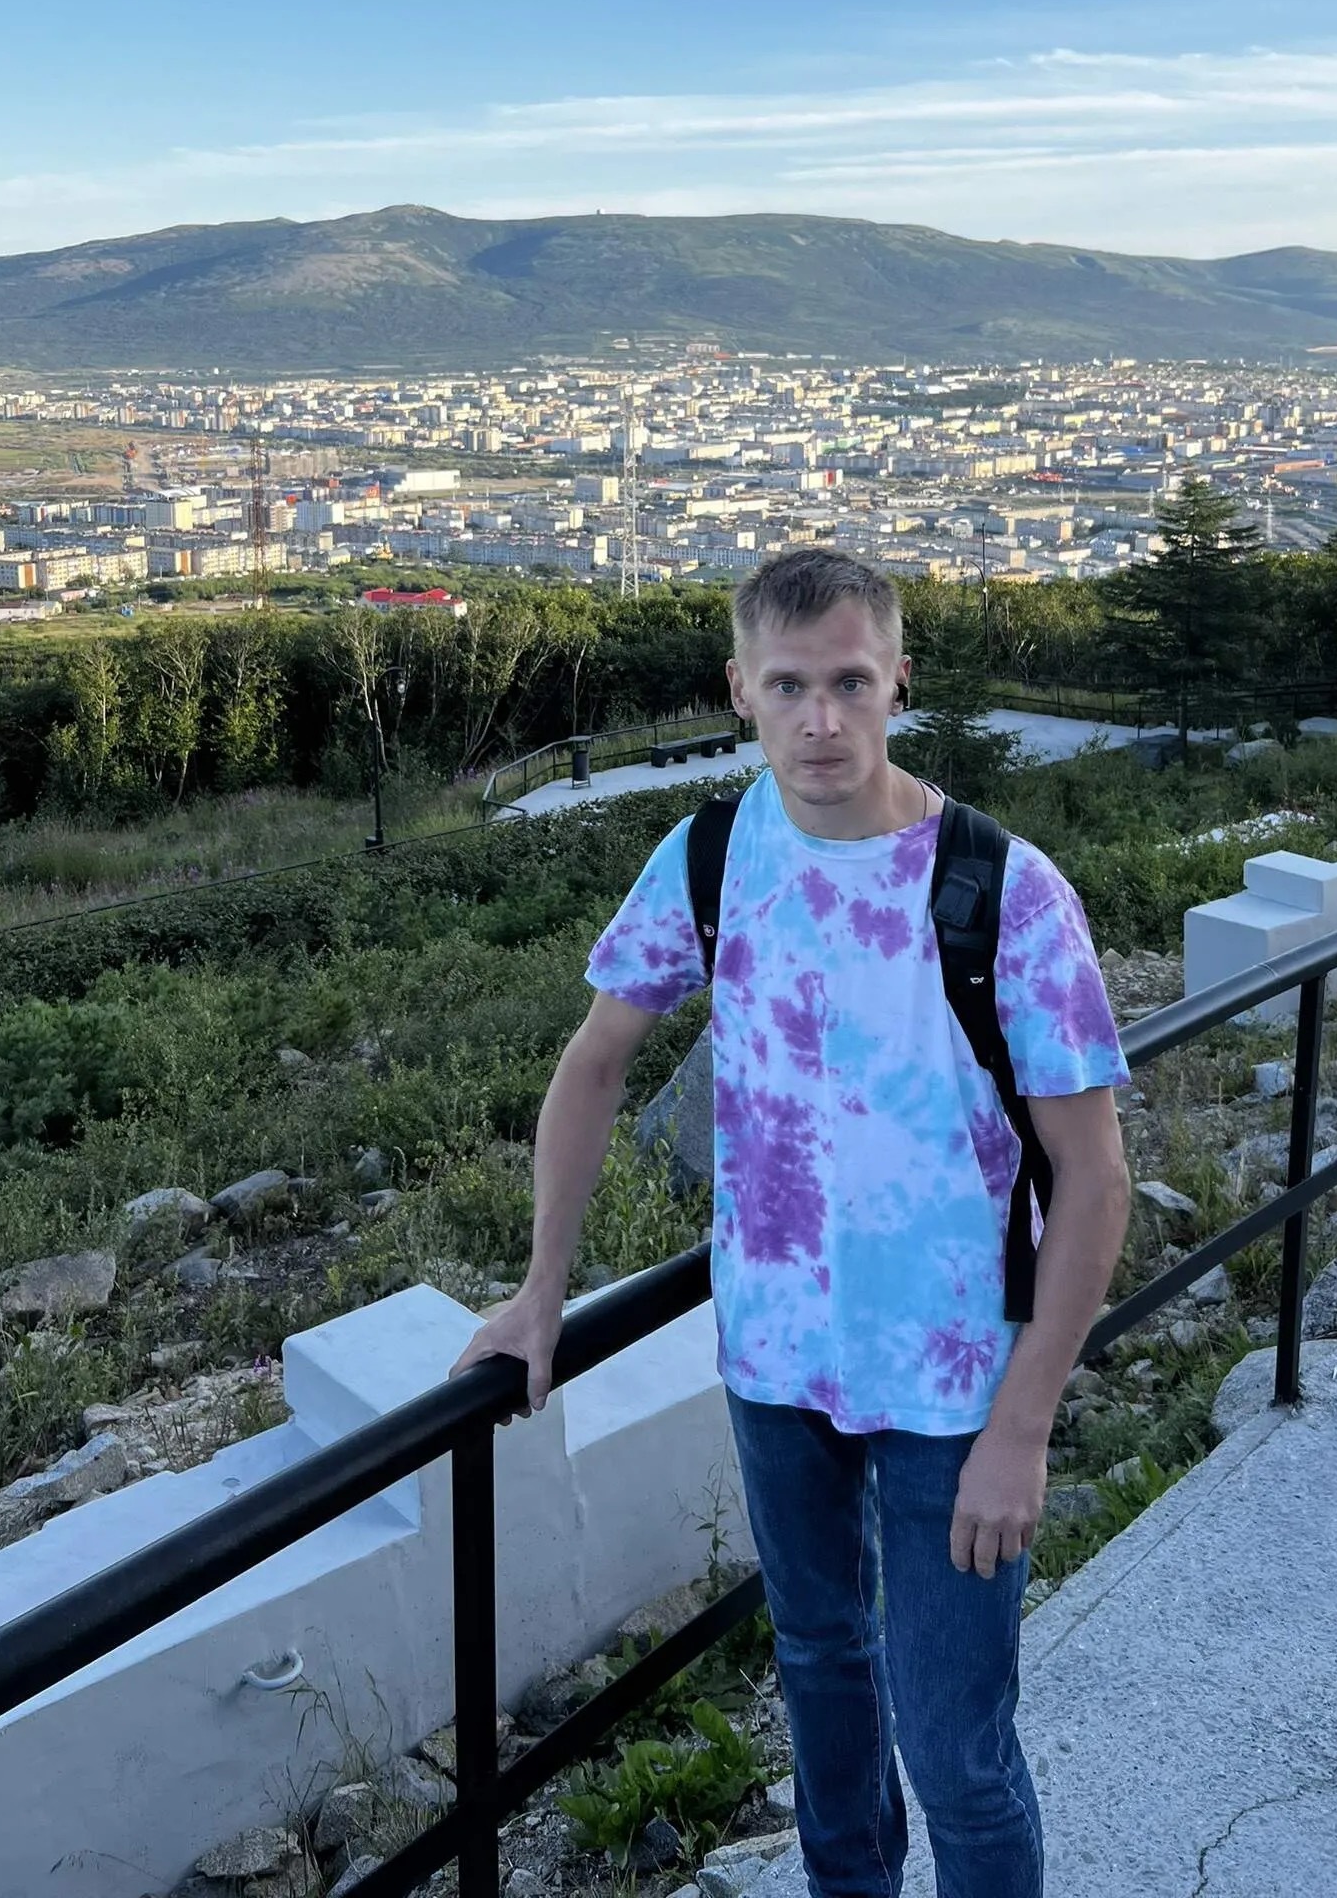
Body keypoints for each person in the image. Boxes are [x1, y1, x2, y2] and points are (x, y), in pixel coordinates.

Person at [452, 546, 1133, 1898]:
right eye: (789, 688)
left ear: (897, 682)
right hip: (775, 1359)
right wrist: (541, 1292)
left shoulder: (1002, 890)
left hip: (954, 1385)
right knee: (822, 1683)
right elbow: (593, 1063)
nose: (822, 722)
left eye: (850, 684)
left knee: (957, 1753)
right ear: (738, 691)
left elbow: (1094, 1177)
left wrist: (1025, 1423)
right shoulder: (713, 854)